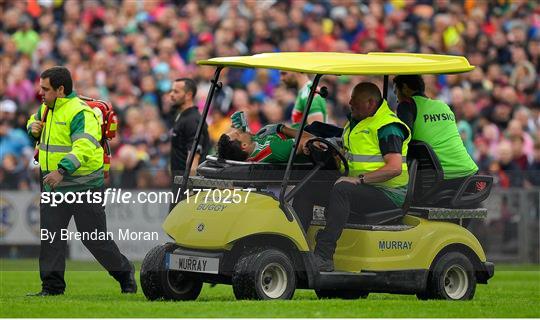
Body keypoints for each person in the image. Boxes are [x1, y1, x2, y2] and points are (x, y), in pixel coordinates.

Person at [26, 66, 136, 296]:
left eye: (45, 89)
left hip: (83, 186)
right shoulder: (46, 108)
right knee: (51, 238)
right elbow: (33, 121)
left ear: (61, 89)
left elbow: (84, 146)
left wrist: (61, 171)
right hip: (53, 187)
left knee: (94, 240)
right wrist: (32, 127)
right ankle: (52, 288)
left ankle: (125, 273)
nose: (40, 93)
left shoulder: (80, 113)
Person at [307, 82, 411, 272]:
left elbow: (394, 168)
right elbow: (349, 160)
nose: (350, 102)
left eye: (355, 100)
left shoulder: (388, 127)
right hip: (364, 188)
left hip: (388, 193)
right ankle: (300, 248)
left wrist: (359, 179)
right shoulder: (354, 124)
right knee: (310, 187)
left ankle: (323, 255)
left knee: (342, 190)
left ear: (371, 103)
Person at [394, 75, 478, 205]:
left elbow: (403, 138)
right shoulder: (443, 105)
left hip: (439, 180)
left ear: (404, 88)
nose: (396, 98)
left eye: (396, 92)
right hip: (469, 176)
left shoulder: (407, 105)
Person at [169, 78, 210, 211]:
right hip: (180, 181)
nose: (171, 94)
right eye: (171, 90)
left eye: (176, 91)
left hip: (186, 184)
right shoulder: (182, 116)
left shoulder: (192, 120)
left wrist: (189, 188)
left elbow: (194, 158)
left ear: (188, 95)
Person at [217, 121, 314, 163]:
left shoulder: (251, 147)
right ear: (244, 145)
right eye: (237, 134)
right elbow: (311, 139)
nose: (239, 130)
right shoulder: (273, 149)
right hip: (314, 135)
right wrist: (281, 128)